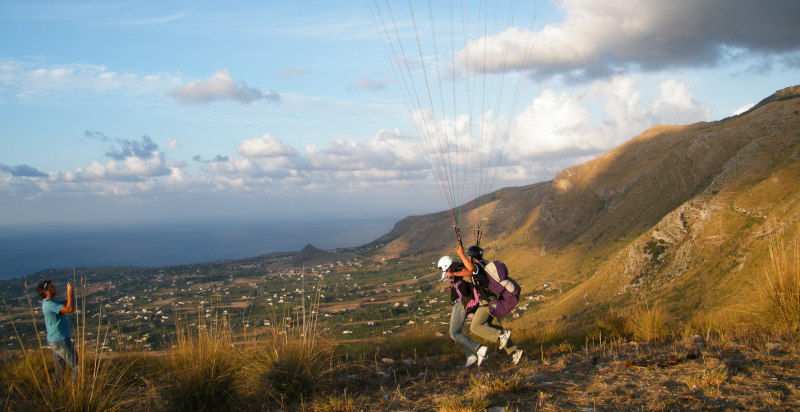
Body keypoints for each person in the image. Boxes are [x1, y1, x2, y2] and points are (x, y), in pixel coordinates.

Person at [448, 244, 523, 365]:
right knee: (494, 328)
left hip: (486, 303)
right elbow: (468, 272)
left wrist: (461, 254)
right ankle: (515, 352)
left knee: (475, 327)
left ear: (472, 257)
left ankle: (499, 337)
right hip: (493, 301)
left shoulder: (478, 266)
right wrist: (455, 274)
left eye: (469, 257)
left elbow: (471, 269)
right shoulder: (485, 264)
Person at [438, 255, 488, 367]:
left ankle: (478, 348)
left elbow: (469, 272)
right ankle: (470, 356)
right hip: (459, 303)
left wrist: (454, 274)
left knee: (454, 333)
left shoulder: (458, 269)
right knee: (457, 332)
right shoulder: (456, 268)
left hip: (460, 303)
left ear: (447, 266)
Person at [36, 280, 78, 382]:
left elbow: (69, 303)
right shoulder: (50, 305)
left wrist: (71, 293)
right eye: (51, 287)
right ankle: (75, 392)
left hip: (55, 340)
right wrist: (69, 291)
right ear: (46, 291)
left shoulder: (51, 302)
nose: (54, 287)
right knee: (76, 366)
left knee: (60, 370)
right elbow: (69, 309)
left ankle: (55, 392)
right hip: (61, 341)